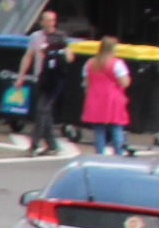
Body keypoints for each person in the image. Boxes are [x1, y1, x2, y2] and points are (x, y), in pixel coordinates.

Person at [18, 9, 72, 157]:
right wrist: (21, 76)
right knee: (45, 112)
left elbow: (69, 56)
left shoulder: (60, 37)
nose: (49, 23)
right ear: (41, 22)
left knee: (42, 110)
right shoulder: (36, 37)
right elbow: (28, 56)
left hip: (54, 79)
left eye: (51, 20)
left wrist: (62, 54)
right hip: (40, 78)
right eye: (46, 20)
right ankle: (52, 145)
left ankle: (34, 144)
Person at [80, 35, 132, 155]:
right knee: (116, 127)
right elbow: (124, 82)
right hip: (112, 99)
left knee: (99, 130)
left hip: (94, 98)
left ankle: (99, 154)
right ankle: (119, 154)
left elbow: (86, 83)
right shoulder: (117, 63)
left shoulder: (90, 63)